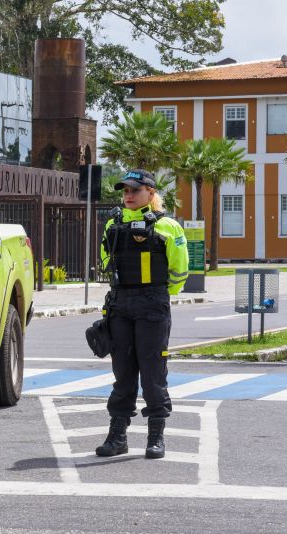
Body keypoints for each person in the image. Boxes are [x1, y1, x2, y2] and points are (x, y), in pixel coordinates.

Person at [96, 169, 189, 459]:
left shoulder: (169, 226)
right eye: (125, 190)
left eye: (134, 190)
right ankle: (118, 436)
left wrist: (159, 294)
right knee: (122, 372)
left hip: (152, 303)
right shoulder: (113, 222)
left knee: (152, 372)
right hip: (120, 303)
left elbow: (179, 269)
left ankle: (155, 436)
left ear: (150, 192)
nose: (128, 195)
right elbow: (104, 261)